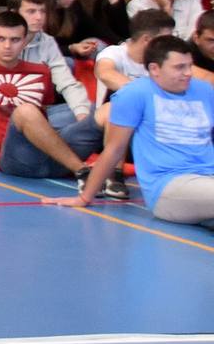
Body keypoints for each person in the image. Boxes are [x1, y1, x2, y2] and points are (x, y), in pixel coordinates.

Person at [0, 11, 113, 190]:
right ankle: (83, 172)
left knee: (108, 109)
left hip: (53, 159)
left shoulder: (41, 71)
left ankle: (115, 176)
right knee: (26, 111)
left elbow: (45, 114)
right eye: (1, 39)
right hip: (15, 159)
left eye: (15, 40)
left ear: (24, 42)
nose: (7, 46)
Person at [62, 36, 214, 224]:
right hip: (168, 185)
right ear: (154, 69)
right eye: (179, 67)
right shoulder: (135, 94)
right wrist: (85, 198)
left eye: (189, 66)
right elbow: (114, 150)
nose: (188, 73)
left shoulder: (204, 91)